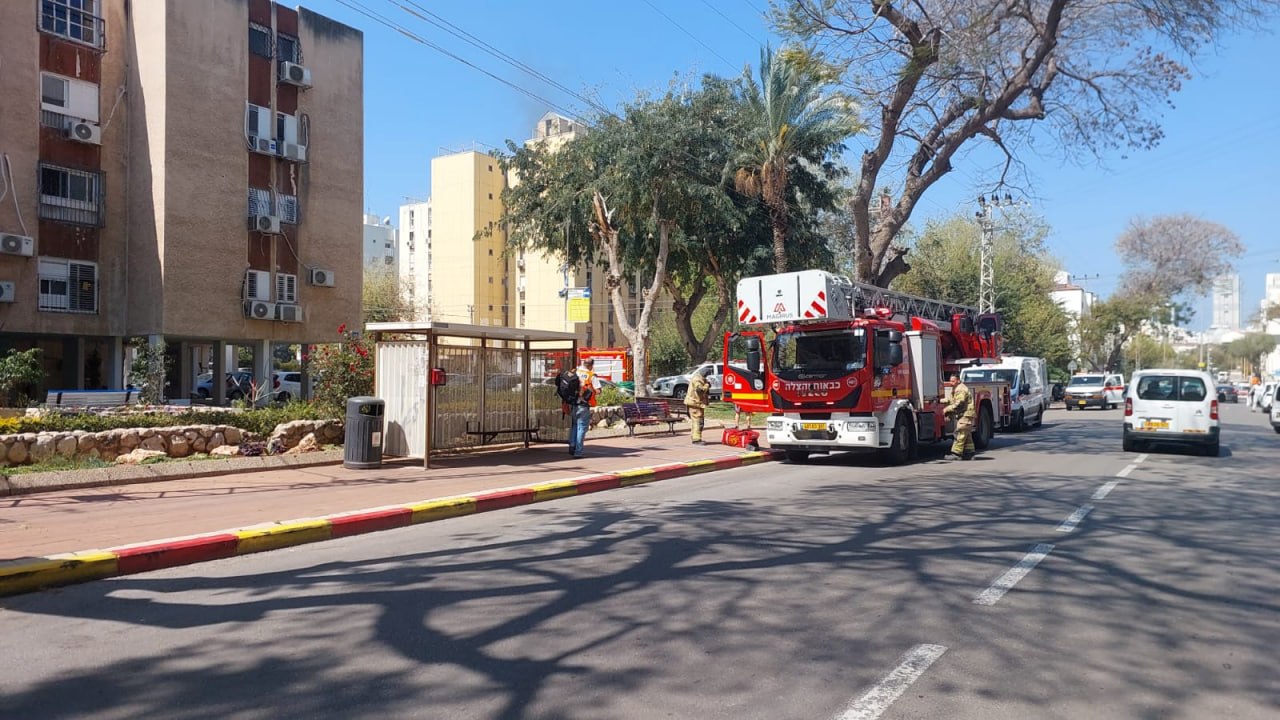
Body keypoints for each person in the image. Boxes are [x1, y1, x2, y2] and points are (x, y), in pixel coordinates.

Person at [557, 365, 592, 458]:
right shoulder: (587, 376)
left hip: (574, 406)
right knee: (581, 429)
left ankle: (572, 446)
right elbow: (591, 392)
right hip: (583, 406)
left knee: (575, 426)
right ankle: (578, 452)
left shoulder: (574, 376)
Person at [944, 371, 976, 460]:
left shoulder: (961, 389)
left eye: (953, 381)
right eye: (950, 381)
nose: (951, 383)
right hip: (966, 415)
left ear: (958, 380)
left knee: (959, 433)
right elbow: (952, 400)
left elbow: (959, 403)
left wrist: (946, 409)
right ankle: (969, 453)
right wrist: (940, 401)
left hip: (965, 414)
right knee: (966, 434)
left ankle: (956, 454)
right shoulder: (957, 388)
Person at [686, 368, 711, 445]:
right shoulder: (697, 379)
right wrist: (707, 385)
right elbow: (700, 390)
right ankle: (696, 440)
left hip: (697, 404)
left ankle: (695, 437)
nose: (707, 376)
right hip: (695, 404)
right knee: (698, 422)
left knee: (698, 421)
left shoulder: (700, 378)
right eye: (707, 375)